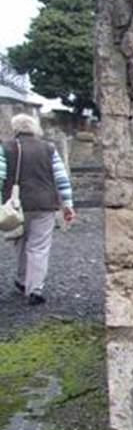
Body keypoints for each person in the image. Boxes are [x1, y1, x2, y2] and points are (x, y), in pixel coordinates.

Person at [0, 113, 75, 305]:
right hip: (45, 204)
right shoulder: (49, 149)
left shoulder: (5, 148)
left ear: (15, 129)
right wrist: (68, 204)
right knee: (39, 246)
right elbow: (61, 178)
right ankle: (35, 289)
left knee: (19, 241)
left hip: (16, 204)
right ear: (34, 129)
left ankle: (22, 280)